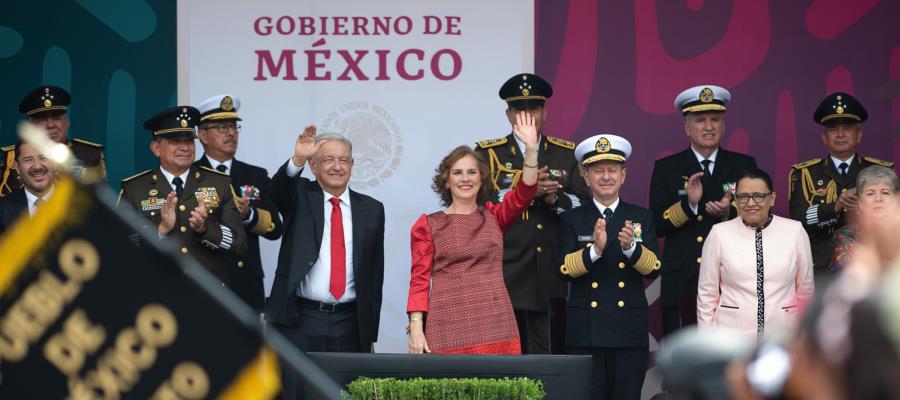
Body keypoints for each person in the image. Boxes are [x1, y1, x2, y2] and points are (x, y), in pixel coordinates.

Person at [473, 73, 588, 354]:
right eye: (520, 110)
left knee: (551, 358)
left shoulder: (565, 153)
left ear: (545, 112)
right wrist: (524, 192)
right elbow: (478, 206)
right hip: (505, 271)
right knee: (505, 361)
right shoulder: (489, 154)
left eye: (533, 109)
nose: (527, 116)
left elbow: (584, 206)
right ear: (508, 114)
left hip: (552, 272)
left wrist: (552, 197)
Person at [267, 126, 385, 399]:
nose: (337, 166)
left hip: (349, 323)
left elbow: (374, 275)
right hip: (301, 320)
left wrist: (369, 335)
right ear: (314, 166)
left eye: (343, 160)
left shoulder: (372, 208)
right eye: (328, 160)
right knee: (296, 392)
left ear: (352, 165)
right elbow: (277, 191)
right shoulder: (299, 196)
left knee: (345, 393)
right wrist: (296, 159)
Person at [407, 112, 539, 355]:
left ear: (482, 179)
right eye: (457, 173)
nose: (465, 179)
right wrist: (416, 328)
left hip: (496, 325)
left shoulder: (495, 217)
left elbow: (526, 191)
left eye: (472, 172)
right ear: (446, 181)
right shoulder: (428, 225)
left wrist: (531, 150)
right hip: (447, 327)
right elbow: (419, 281)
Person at [558, 134, 661, 400]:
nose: (606, 177)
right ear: (585, 176)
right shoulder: (572, 218)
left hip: (628, 332)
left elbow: (653, 269)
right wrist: (596, 250)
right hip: (586, 334)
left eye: (612, 170)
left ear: (623, 175)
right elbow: (564, 269)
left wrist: (631, 249)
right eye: (598, 170)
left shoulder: (640, 216)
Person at [649, 85, 757, 336]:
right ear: (687, 128)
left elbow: (760, 218)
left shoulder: (743, 165)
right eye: (700, 120)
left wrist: (728, 212)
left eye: (715, 120)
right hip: (683, 279)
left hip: (730, 279)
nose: (709, 127)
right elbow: (656, 225)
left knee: (730, 364)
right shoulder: (667, 168)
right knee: (682, 365)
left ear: (723, 125)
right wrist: (690, 205)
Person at [117, 106, 247, 284]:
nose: (185, 147)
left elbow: (239, 245)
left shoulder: (219, 183)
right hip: (157, 296)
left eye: (189, 140)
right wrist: (160, 230)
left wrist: (205, 229)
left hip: (209, 296)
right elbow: (118, 247)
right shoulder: (135, 188)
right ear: (156, 148)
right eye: (175, 140)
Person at [789, 92, 893, 286]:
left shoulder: (880, 172)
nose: (840, 134)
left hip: (872, 263)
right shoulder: (805, 174)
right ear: (823, 137)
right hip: (821, 267)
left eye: (847, 128)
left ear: (859, 135)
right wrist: (833, 207)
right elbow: (796, 222)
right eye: (832, 129)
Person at [697, 169, 814, 340]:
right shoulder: (719, 233)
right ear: (736, 200)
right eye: (743, 197)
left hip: (784, 336)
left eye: (759, 196)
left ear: (772, 198)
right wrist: (707, 343)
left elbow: (806, 291)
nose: (750, 203)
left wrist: (805, 338)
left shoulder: (794, 231)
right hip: (731, 337)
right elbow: (707, 294)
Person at [195, 94, 283, 312]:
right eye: (222, 127)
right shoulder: (190, 175)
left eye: (234, 127)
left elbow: (276, 229)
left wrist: (248, 216)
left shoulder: (255, 175)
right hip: (203, 284)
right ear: (203, 135)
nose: (231, 133)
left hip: (245, 287)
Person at [1, 85, 106, 196]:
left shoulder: (89, 155)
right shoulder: (12, 158)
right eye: (43, 120)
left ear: (67, 123)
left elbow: (101, 204)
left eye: (57, 118)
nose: (51, 125)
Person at [829, 166, 899, 272]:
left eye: (885, 192)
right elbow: (848, 280)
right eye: (870, 193)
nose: (878, 199)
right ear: (860, 203)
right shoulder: (845, 236)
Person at [0, 141, 57, 235]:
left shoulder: (81, 205)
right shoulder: (2, 209)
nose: (37, 166)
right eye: (28, 160)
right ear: (17, 167)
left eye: (43, 158)